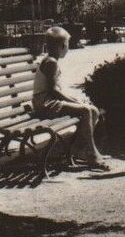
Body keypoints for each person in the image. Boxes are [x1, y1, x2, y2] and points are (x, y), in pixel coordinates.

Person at [33, 26, 109, 171]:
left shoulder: (52, 60)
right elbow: (53, 91)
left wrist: (76, 100)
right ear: (63, 46)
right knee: (86, 110)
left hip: (49, 101)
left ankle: (80, 149)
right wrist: (75, 102)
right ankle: (91, 153)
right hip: (45, 103)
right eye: (67, 45)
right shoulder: (51, 63)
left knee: (93, 110)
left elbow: (57, 90)